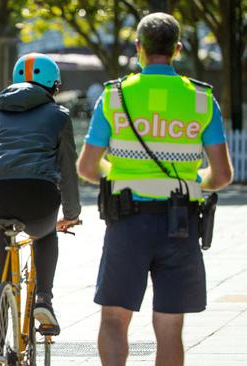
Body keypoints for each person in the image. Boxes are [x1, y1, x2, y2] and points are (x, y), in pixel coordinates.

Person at [76, 12, 233, 366]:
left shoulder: (115, 98)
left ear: (139, 48)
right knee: (169, 327)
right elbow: (221, 175)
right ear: (177, 49)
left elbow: (87, 167)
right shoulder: (201, 100)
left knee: (114, 319)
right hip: (181, 223)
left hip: (127, 221)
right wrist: (194, 182)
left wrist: (119, 176)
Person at [0, 52, 81, 355]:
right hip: (37, 196)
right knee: (45, 234)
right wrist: (71, 214)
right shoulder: (59, 115)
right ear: (53, 86)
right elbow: (67, 167)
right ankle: (43, 299)